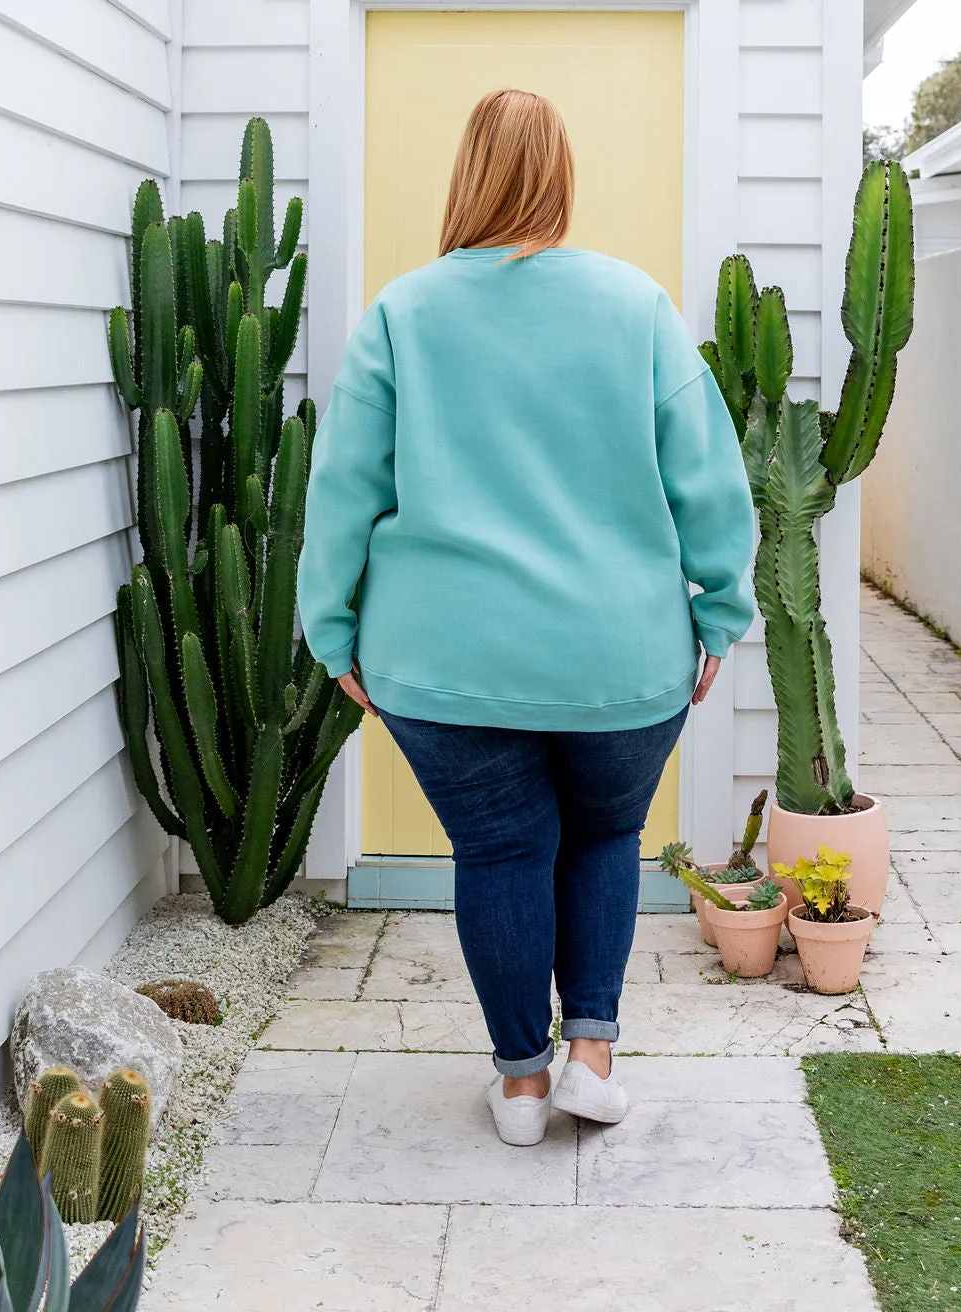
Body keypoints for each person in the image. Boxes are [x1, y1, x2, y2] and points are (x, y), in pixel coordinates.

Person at [297, 88, 755, 1146]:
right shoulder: (633, 305)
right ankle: (589, 1055)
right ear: (559, 176)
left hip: (443, 660)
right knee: (603, 835)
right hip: (620, 656)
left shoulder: (402, 314)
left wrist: (332, 632)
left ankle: (518, 1085)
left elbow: (343, 490)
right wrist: (719, 615)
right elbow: (711, 484)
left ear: (467, 174)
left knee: (498, 853)